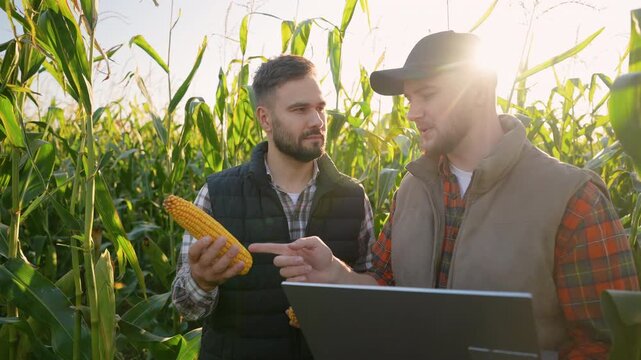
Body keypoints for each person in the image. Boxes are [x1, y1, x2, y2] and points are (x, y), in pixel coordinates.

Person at [249, 31, 640, 359]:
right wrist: (337, 273)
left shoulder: (573, 199)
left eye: (429, 95)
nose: (413, 113)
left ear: (478, 90)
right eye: (409, 100)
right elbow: (387, 287)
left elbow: (609, 345)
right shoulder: (412, 190)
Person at [171, 55, 376, 359]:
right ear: (265, 119)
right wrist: (202, 280)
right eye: (299, 109)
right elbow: (185, 307)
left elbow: (375, 295)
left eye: (320, 108)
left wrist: (339, 275)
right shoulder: (216, 193)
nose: (317, 121)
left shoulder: (353, 197)